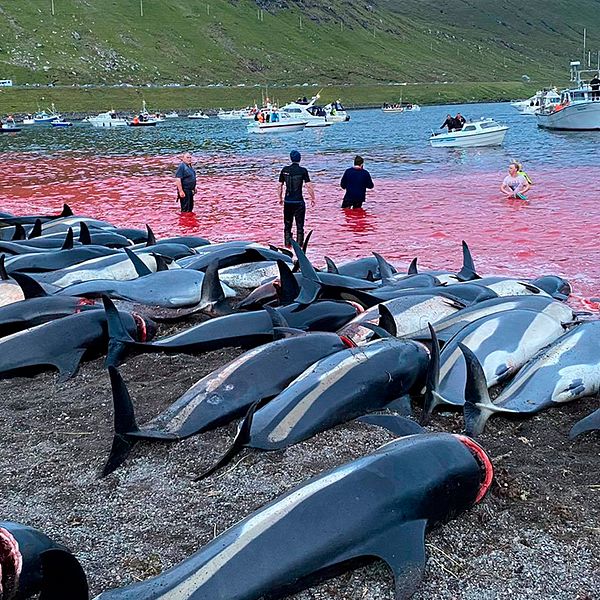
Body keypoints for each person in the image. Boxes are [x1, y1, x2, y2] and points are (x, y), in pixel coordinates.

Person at [278, 150, 315, 248]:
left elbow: (279, 186)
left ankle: (287, 245)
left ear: (291, 158)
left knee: (287, 224)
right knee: (300, 225)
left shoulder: (284, 170)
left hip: (288, 201)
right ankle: (299, 246)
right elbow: (309, 186)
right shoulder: (303, 170)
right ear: (300, 159)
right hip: (299, 202)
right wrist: (313, 198)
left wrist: (280, 198)